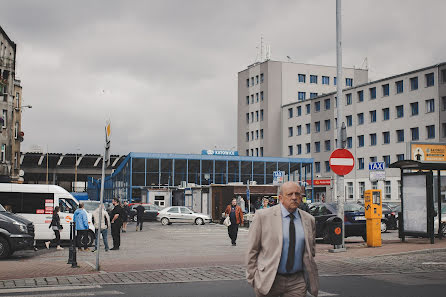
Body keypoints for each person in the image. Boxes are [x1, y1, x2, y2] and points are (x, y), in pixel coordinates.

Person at [246, 181, 319, 297]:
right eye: (290, 194)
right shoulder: (263, 216)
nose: (294, 197)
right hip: (269, 279)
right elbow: (252, 250)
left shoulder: (309, 220)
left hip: (297, 281)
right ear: (280, 197)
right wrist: (252, 278)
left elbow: (311, 250)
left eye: (297, 194)